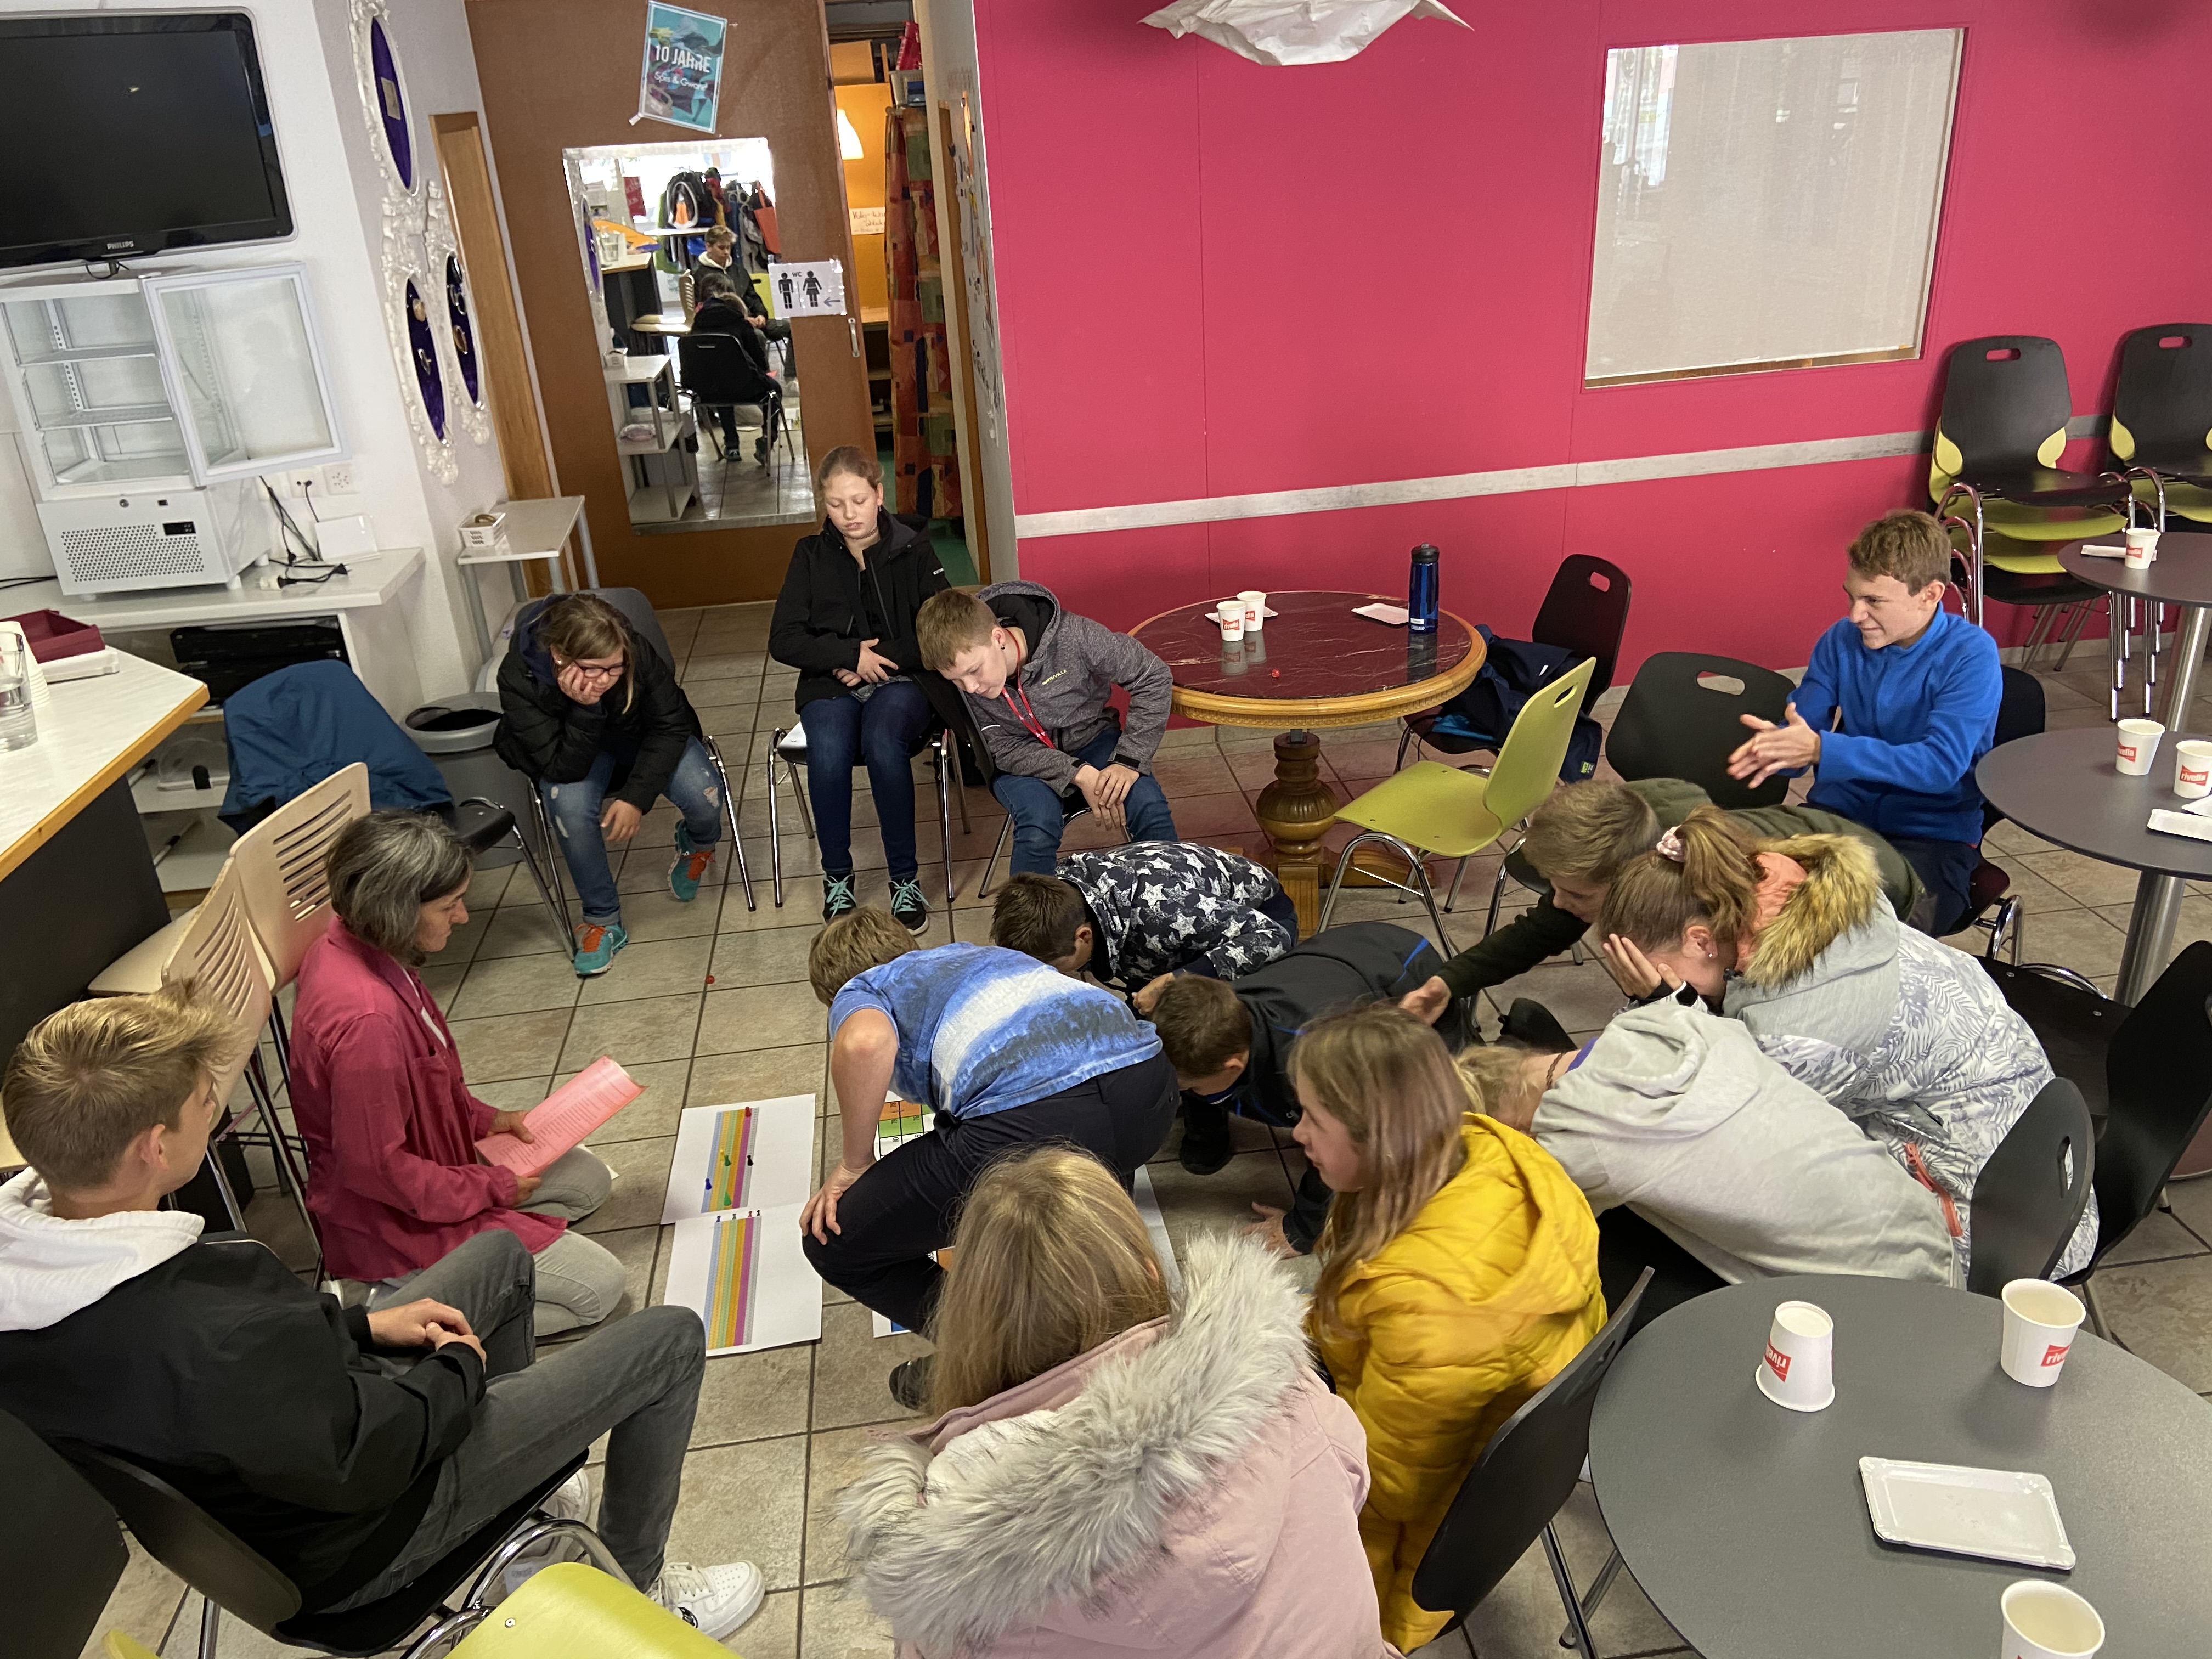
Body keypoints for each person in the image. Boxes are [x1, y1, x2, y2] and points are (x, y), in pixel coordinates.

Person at [0, 988, 763, 1637]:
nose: (215, 1107)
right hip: (369, 1531)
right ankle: (637, 1588)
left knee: (500, 1257)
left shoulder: (40, 1274)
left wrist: (362, 1326)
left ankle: (526, 1505)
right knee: (670, 1339)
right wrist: (457, 1372)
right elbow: (363, 1461)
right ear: (153, 1148)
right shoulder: (211, 1333)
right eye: (206, 1102)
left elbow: (255, 1382)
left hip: (298, 1466)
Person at [841, 1148, 1395, 1659]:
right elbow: (1352, 1479)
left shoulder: (951, 1564)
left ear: (969, 1326)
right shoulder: (1284, 1379)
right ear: (1151, 1273)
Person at [1591, 808, 2090, 1280]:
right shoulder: (1794, 896)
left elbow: (1720, 1121)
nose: (1661, 982)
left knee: (1699, 1195)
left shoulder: (1798, 1031)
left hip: (1983, 1227)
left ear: (1702, 942)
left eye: (1661, 971)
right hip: (2017, 1148)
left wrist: (1669, 1005)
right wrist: (1677, 997)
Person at [1292, 1004, 1604, 1654]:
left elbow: (1385, 1491)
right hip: (1475, 1458)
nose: (1298, 1134)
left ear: (1380, 1140)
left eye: (1314, 1120)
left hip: (1417, 1539)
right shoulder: (1490, 1151)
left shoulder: (1427, 1310)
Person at [800, 910, 1180, 1406]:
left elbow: (865, 1042)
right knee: (1077, 1234)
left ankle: (1005, 1363)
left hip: (1039, 1115)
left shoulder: (867, 987)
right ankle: (1115, 1343)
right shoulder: (976, 955)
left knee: (836, 1244)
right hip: (1148, 1088)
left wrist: (854, 1164)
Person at [289, 810, 627, 1336]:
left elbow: (424, 1081)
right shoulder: (368, 1024)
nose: (464, 916)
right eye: (449, 905)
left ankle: (458, 1273)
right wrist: (489, 1187)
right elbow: (377, 1172)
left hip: (436, 1166)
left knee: (587, 1182)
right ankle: (389, 1311)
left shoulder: (361, 944)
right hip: (393, 1222)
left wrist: (484, 1120)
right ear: (396, 909)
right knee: (599, 1288)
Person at [1457, 998, 1961, 1304]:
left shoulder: (1576, 1138)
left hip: (1878, 1307)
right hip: (1925, 1236)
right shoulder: (1671, 1024)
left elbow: (1516, 1236)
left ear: (1507, 1126)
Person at [1397, 776, 1926, 1025]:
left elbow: (1751, 1029)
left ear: (1631, 881)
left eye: (1575, 893)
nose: (1559, 903)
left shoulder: (1710, 899)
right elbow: (1546, 927)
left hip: (1877, 887)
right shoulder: (1632, 835)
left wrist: (1671, 1004)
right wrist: (1450, 982)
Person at [1726, 509, 2001, 936]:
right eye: (1851, 596)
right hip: (1837, 819)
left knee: (1847, 926)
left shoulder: (1970, 655)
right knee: (1727, 879)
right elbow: (1804, 729)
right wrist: (1779, 748)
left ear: (1930, 594)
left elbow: (1939, 767)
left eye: (1874, 601)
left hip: (1930, 839)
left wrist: (1822, 750)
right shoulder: (1840, 639)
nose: (1855, 615)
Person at [1144, 921, 1464, 1255]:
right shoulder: (1217, 1016)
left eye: (1189, 1087)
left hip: (1407, 973)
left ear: (1233, 1066)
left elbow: (1342, 1142)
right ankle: (1208, 1130)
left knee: (1424, 1115)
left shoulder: (1309, 1063)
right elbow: (1192, 1065)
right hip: (1340, 955)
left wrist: (1302, 1229)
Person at [494, 592, 726, 975]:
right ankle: (602, 919)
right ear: (559, 656)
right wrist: (586, 709)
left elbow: (671, 725)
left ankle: (698, 842)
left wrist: (635, 798)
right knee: (569, 809)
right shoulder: (519, 676)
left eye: (615, 668)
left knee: (705, 795)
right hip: (575, 750)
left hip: (643, 736)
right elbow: (560, 767)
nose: (605, 678)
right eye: (593, 669)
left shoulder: (633, 649)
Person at [769, 447, 953, 928]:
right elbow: (783, 639)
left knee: (883, 742)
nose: (849, 514)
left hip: (904, 676)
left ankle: (904, 879)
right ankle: (836, 877)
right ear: (823, 504)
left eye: (858, 500)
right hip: (831, 680)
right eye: (835, 504)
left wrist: (877, 658)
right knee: (828, 749)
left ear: (879, 494)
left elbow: (942, 629)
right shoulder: (810, 554)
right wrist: (849, 656)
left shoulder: (914, 546)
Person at [916, 584, 1177, 873]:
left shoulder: (1074, 635)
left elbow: (1152, 676)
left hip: (1092, 739)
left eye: (974, 670)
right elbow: (1004, 748)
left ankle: (1175, 895)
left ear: (998, 638)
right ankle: (1030, 905)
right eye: (956, 680)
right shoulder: (969, 681)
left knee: (1148, 803)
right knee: (1038, 825)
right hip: (1021, 761)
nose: (970, 688)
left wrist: (1129, 760)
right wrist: (1078, 773)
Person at [989, 842, 1297, 986]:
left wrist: (1175, 982)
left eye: (1055, 968)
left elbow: (1272, 938)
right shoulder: (1064, 894)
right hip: (1170, 939)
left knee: (1201, 1035)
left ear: (1084, 936)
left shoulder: (1165, 912)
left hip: (1262, 918)